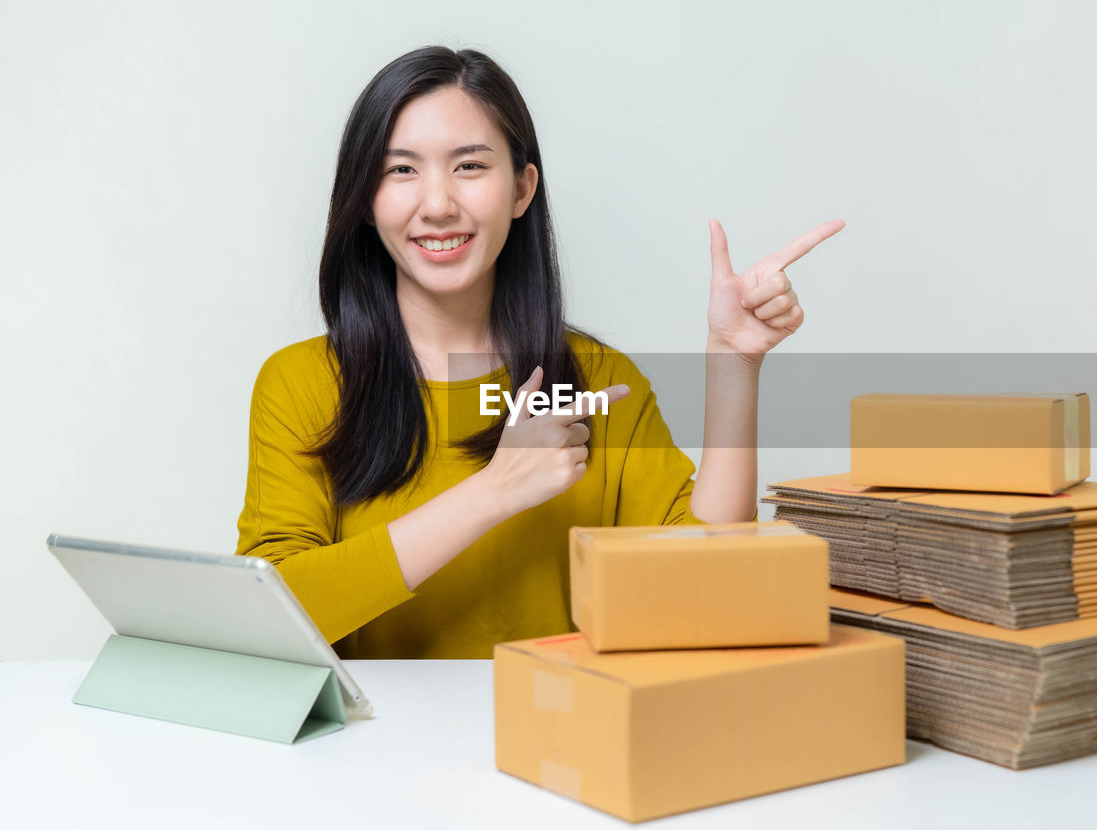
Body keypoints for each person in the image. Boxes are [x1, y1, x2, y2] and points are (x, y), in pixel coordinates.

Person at [234, 46, 844, 658]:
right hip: (368, 748)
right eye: (401, 170)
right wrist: (495, 490)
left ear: (522, 188)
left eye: (470, 166)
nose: (439, 203)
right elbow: (272, 612)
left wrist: (734, 363)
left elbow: (712, 585)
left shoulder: (597, 381)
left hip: (557, 735)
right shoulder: (304, 383)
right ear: (365, 199)